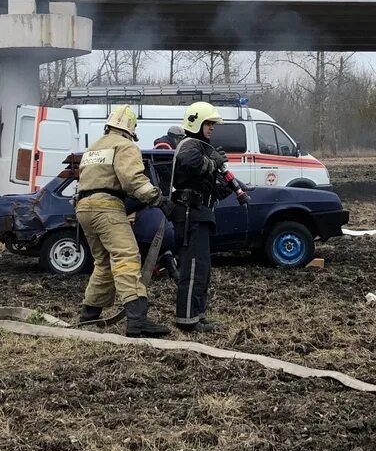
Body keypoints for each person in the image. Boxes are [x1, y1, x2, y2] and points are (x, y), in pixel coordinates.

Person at [74, 106, 173, 338]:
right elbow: (132, 180)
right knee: (127, 257)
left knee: (104, 262)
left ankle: (89, 314)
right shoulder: (125, 145)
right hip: (107, 207)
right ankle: (137, 321)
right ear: (130, 128)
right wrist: (158, 199)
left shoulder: (94, 147)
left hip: (84, 207)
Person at [169, 101, 249, 333]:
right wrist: (214, 162)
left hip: (200, 214)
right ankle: (186, 320)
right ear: (196, 123)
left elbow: (210, 190)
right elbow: (191, 162)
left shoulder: (201, 147)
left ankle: (197, 315)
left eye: (213, 124)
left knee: (202, 268)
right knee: (193, 268)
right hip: (189, 214)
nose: (212, 128)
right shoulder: (189, 145)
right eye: (209, 123)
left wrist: (232, 187)